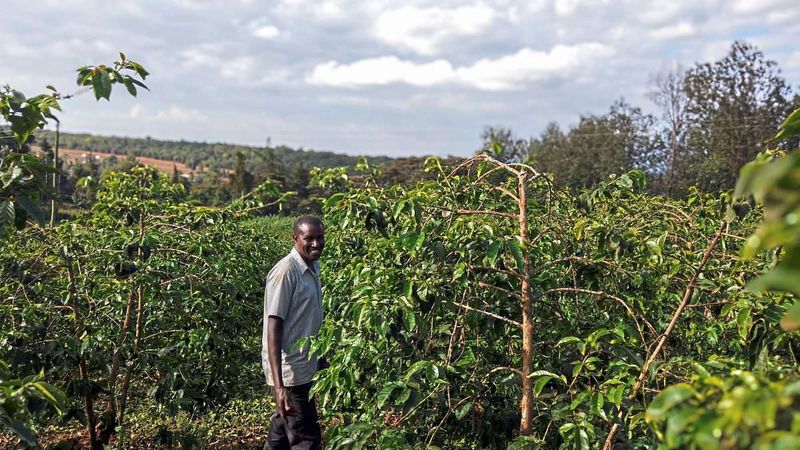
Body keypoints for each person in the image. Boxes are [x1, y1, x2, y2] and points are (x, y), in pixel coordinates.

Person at [262, 216, 325, 449]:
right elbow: (273, 327)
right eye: (309, 239)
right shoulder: (285, 272)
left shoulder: (312, 267)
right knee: (306, 440)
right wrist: (279, 387)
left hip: (306, 366)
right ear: (295, 238)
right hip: (291, 373)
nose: (316, 244)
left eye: (320, 238)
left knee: (281, 432)